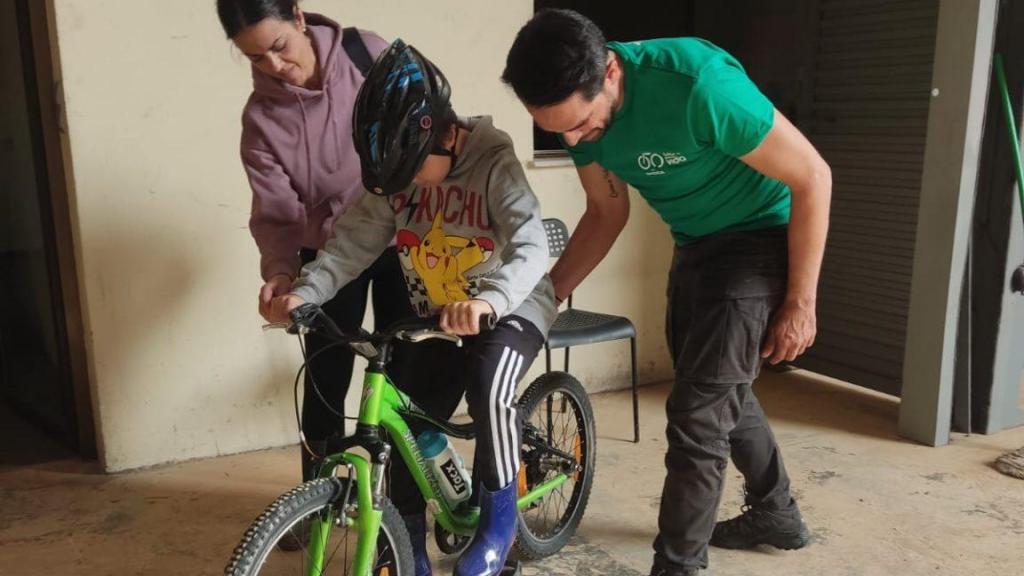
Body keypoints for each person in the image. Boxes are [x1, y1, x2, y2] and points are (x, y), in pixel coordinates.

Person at [502, 9, 831, 576]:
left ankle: (677, 566)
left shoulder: (697, 84)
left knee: (697, 420)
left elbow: (813, 177)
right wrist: (546, 296)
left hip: (759, 236)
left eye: (584, 126)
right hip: (694, 243)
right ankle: (775, 510)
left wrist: (801, 302)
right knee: (717, 390)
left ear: (609, 72)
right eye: (559, 130)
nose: (576, 140)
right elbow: (606, 211)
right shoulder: (574, 116)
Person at [268, 39, 557, 576]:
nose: (404, 193)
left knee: (490, 383)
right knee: (400, 412)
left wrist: (489, 301)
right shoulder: (396, 177)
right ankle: (405, 549)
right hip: (442, 312)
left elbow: (532, 245)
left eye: (412, 175)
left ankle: (498, 530)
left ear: (447, 134)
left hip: (510, 304)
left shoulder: (494, 164)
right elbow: (351, 243)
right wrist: (305, 293)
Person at [216, 0, 415, 496]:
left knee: (408, 372)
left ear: (299, 17)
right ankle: (320, 502)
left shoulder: (365, 54)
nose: (275, 67)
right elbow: (277, 211)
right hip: (330, 255)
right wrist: (281, 273)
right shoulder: (262, 119)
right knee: (326, 375)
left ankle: (406, 501)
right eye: (256, 58)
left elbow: (423, 128)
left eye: (279, 47)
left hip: (405, 240)